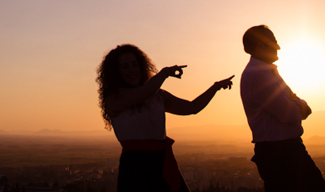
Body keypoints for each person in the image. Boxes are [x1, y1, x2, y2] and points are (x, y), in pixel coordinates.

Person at [97, 44, 234, 192]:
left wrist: (215, 88)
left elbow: (192, 107)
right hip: (135, 167)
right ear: (116, 72)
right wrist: (165, 73)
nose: (132, 70)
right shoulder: (114, 98)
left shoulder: (158, 96)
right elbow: (145, 92)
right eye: (125, 67)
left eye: (135, 64)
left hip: (163, 163)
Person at [240, 25, 325, 192]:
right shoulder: (258, 75)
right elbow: (289, 113)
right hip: (279, 154)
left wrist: (296, 104)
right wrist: (300, 106)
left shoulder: (267, 72)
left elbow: (293, 98)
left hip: (284, 151)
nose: (278, 47)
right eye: (274, 42)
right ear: (260, 45)